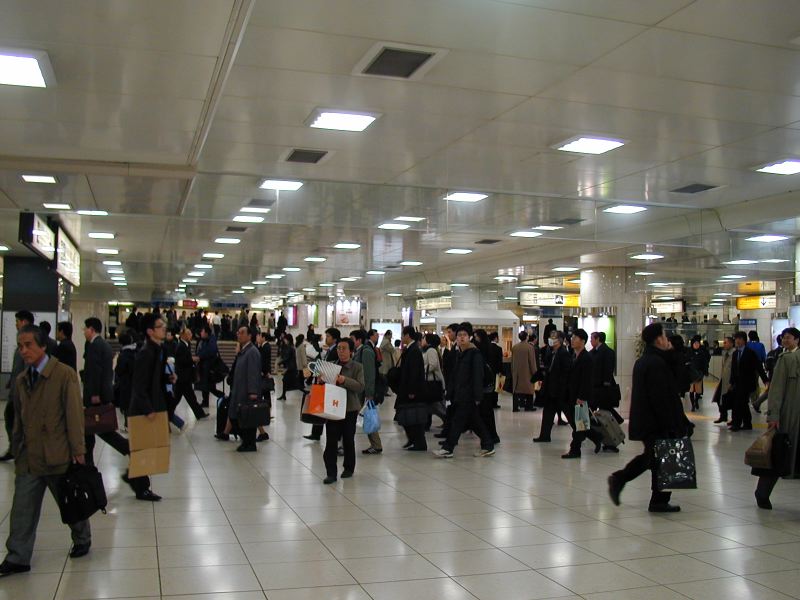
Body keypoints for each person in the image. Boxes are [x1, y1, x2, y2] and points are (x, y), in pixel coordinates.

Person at [0, 325, 91, 576]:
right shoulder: (21, 380)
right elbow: (18, 417)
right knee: (22, 509)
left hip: (57, 454)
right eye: (20, 346)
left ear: (43, 346)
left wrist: (78, 450)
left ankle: (82, 537)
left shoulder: (63, 375)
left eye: (28, 345)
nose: (24, 350)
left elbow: (74, 416)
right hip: (29, 457)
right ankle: (18, 556)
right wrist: (17, 448)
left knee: (68, 503)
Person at [608, 323, 693, 512]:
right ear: (659, 339)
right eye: (664, 336)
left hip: (650, 421)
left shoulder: (648, 360)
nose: (667, 340)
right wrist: (672, 424)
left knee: (654, 459)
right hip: (657, 422)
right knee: (658, 459)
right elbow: (664, 395)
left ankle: (656, 498)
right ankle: (622, 481)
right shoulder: (656, 363)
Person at [753, 327, 800, 509]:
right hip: (787, 416)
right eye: (784, 338)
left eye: (788, 338)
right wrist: (773, 414)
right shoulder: (785, 359)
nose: (785, 341)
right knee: (778, 453)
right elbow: (776, 390)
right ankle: (762, 492)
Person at [434, 323, 495, 458]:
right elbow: (456, 375)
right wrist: (450, 392)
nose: (461, 338)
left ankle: (448, 448)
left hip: (469, 394)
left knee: (458, 421)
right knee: (474, 421)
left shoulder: (474, 354)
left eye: (464, 335)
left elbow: (478, 376)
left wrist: (478, 396)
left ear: (470, 337)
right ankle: (488, 444)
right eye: (459, 335)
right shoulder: (460, 353)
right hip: (460, 393)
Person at [124, 314, 166, 502]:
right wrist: (148, 409)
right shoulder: (146, 352)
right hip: (142, 409)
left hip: (150, 405)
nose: (164, 328)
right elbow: (139, 385)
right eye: (159, 326)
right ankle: (142, 488)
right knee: (144, 449)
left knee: (147, 448)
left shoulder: (156, 349)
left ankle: (134, 477)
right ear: (150, 331)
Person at [82, 318, 132, 466]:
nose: (84, 332)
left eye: (85, 329)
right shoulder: (102, 345)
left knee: (99, 427)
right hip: (102, 392)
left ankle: (126, 447)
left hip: (97, 395)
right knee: (94, 428)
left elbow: (96, 371)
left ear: (91, 329)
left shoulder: (95, 346)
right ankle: (87, 458)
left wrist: (95, 394)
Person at [322, 339, 365, 484]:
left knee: (348, 439)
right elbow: (323, 385)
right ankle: (331, 473)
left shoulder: (357, 367)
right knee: (331, 441)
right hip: (332, 409)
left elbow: (360, 387)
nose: (340, 351)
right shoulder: (331, 365)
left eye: (344, 348)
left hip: (349, 409)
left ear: (351, 351)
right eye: (339, 348)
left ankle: (348, 467)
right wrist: (320, 379)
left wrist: (344, 380)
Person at [561, 329, 604, 459]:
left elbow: (587, 380)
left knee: (579, 426)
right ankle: (597, 437)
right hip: (572, 396)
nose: (572, 340)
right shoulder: (574, 355)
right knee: (579, 424)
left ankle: (575, 450)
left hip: (581, 397)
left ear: (583, 341)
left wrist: (582, 397)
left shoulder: (587, 358)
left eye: (575, 338)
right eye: (572, 338)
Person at [1, 311, 34, 462]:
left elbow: (28, 366)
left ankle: (18, 449)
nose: (16, 324)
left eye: (17, 321)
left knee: (16, 419)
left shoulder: (31, 341)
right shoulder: (22, 340)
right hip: (15, 389)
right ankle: (14, 448)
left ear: (24, 321)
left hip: (22, 391)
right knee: (11, 417)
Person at [227, 326, 262, 452]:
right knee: (238, 417)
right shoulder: (244, 351)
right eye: (238, 332)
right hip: (239, 390)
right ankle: (246, 441)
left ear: (249, 336)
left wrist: (252, 392)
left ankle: (249, 443)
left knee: (247, 418)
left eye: (242, 333)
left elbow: (253, 373)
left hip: (247, 392)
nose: (239, 335)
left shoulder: (252, 352)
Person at [533, 331, 571, 443]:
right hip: (551, 390)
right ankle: (544, 436)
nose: (550, 339)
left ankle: (591, 435)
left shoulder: (563, 353)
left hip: (559, 391)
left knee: (570, 416)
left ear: (559, 340)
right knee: (548, 413)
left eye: (553, 337)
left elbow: (565, 373)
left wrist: (562, 389)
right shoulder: (552, 352)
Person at [304, 328, 341, 441]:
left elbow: (331, 368)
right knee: (319, 407)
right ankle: (316, 433)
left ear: (334, 339)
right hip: (322, 382)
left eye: (328, 336)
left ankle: (321, 434)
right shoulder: (329, 350)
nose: (326, 338)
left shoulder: (336, 351)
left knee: (327, 409)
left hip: (329, 384)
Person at [396, 326, 427, 451]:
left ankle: (419, 443)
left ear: (408, 335)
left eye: (403, 335)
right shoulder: (410, 349)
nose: (402, 338)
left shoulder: (414, 350)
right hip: (407, 388)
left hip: (412, 390)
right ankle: (412, 439)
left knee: (414, 417)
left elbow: (414, 372)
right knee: (407, 415)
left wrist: (412, 391)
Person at [729, 331, 767, 431]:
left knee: (738, 403)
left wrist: (765, 380)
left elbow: (759, 367)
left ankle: (736, 424)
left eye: (740, 339)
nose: (737, 341)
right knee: (743, 403)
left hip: (747, 383)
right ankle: (747, 423)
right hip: (737, 383)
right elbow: (733, 370)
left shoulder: (750, 353)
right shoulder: (735, 353)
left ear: (744, 340)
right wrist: (731, 382)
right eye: (736, 338)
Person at [351, 330, 381, 454]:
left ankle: (376, 444)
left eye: (352, 339)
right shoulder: (359, 351)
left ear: (359, 340)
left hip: (363, 392)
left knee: (364, 417)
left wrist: (369, 393)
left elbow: (369, 374)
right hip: (359, 391)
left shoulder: (366, 352)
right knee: (365, 417)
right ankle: (376, 444)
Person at [173, 327, 209, 421]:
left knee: (189, 397)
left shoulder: (186, 344)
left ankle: (199, 414)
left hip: (185, 376)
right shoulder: (180, 346)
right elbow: (180, 361)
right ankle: (169, 411)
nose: (191, 335)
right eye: (188, 334)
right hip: (182, 376)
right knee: (183, 397)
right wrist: (192, 360)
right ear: (183, 335)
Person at [589, 332, 623, 426]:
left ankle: (588, 429)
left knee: (597, 406)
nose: (590, 341)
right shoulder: (593, 352)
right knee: (604, 406)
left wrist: (606, 382)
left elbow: (608, 368)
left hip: (602, 386)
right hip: (596, 385)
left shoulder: (608, 352)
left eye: (592, 339)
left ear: (598, 339)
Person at [473, 329, 500, 444]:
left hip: (483, 383)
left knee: (483, 411)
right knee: (487, 411)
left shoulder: (478, 349)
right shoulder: (492, 348)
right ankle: (492, 435)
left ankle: (489, 436)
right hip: (490, 381)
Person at [754, 335, 784, 413]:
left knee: (770, 391)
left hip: (771, 375)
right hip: (779, 377)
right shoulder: (784, 353)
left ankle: (757, 403)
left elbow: (767, 366)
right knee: (773, 393)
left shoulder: (772, 352)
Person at [196, 325, 224, 408]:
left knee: (210, 387)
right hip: (204, 367)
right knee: (205, 386)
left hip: (209, 368)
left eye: (202, 331)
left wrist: (200, 356)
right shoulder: (203, 340)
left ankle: (223, 397)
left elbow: (210, 351)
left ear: (207, 333)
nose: (201, 333)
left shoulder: (211, 340)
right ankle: (205, 402)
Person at [511, 331, 537, 412]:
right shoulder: (529, 347)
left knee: (516, 390)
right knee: (529, 390)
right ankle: (528, 406)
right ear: (527, 337)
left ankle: (515, 407)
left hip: (517, 372)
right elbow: (532, 361)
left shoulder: (515, 347)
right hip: (527, 372)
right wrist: (535, 373)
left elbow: (512, 361)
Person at [712, 336, 734, 424]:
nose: (724, 344)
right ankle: (723, 416)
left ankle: (733, 418)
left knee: (729, 400)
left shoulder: (734, 354)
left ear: (731, 343)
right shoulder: (725, 353)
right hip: (723, 380)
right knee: (718, 398)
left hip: (730, 381)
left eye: (726, 342)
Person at [688, 337, 710, 411]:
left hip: (699, 375)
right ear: (692, 344)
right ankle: (693, 405)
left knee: (698, 391)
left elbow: (705, 363)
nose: (697, 345)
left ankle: (696, 401)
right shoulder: (689, 352)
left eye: (698, 343)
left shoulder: (702, 353)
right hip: (691, 375)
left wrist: (705, 372)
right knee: (691, 390)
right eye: (695, 343)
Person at [277, 333, 298, 401]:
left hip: (291, 367)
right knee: (286, 380)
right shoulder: (291, 346)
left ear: (288, 340)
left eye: (285, 339)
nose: (284, 341)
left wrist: (280, 362)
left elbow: (287, 357)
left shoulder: (289, 347)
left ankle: (283, 395)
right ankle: (283, 395)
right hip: (292, 367)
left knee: (288, 381)